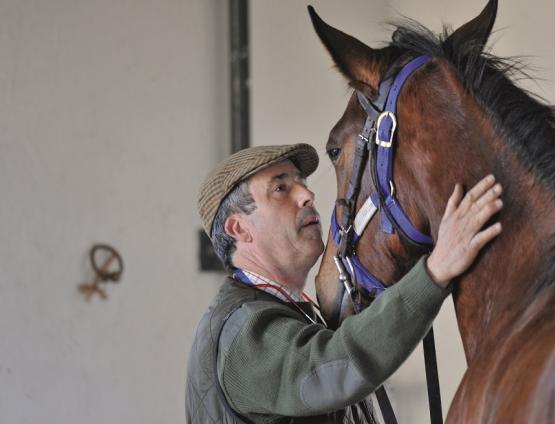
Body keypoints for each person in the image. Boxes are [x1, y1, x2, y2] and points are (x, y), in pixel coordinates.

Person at [186, 143, 503, 424]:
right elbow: (332, 367)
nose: (307, 195)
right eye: (281, 189)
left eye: (302, 183)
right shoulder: (241, 332)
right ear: (239, 229)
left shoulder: (287, 314)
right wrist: (435, 272)